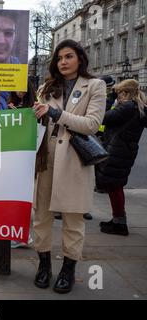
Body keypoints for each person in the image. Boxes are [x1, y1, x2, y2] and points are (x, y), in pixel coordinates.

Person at [32, 39, 106, 293]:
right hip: (45, 159)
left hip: (74, 161)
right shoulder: (46, 87)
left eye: (68, 56)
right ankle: (43, 265)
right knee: (41, 216)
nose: (63, 62)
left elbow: (92, 124)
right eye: (59, 58)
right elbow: (38, 123)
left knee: (73, 220)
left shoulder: (95, 85)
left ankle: (68, 269)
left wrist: (55, 114)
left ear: (80, 58)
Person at [96, 79, 146, 236]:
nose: (116, 96)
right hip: (124, 151)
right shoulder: (138, 107)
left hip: (116, 151)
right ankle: (118, 219)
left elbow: (102, 117)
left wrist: (110, 99)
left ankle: (120, 223)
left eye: (118, 93)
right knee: (114, 186)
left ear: (126, 93)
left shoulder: (127, 107)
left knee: (114, 187)